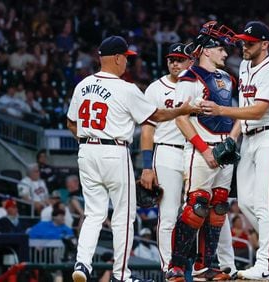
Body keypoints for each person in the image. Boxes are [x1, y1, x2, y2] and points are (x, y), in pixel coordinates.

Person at [67, 35, 196, 282]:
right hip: (114, 151)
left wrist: (89, 139)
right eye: (126, 57)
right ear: (116, 58)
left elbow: (71, 123)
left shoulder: (82, 85)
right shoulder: (126, 88)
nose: (127, 62)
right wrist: (182, 110)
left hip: (86, 150)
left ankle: (82, 264)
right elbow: (155, 116)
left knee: (93, 213)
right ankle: (121, 275)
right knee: (124, 217)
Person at [200, 21, 269, 279]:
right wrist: (232, 137)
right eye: (242, 41)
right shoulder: (243, 65)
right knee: (245, 202)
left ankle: (264, 263)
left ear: (265, 44)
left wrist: (221, 110)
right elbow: (245, 106)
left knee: (263, 202)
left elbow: (258, 109)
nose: (244, 46)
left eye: (250, 43)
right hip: (249, 138)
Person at [140, 43, 237, 276]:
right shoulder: (155, 88)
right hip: (167, 151)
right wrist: (146, 165)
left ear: (191, 61)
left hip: (192, 149)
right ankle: (169, 269)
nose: (174, 63)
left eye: (180, 59)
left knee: (209, 208)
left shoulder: (200, 83)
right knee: (171, 214)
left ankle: (207, 265)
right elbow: (147, 130)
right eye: (171, 59)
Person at [165, 21, 237, 282]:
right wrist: (204, 149)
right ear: (207, 50)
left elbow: (237, 113)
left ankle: (206, 265)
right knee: (196, 205)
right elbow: (180, 118)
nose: (226, 54)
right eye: (221, 49)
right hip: (201, 148)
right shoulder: (189, 78)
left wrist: (232, 141)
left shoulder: (228, 78)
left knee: (219, 206)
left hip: (224, 148)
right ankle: (176, 265)